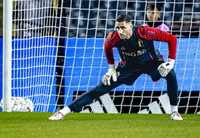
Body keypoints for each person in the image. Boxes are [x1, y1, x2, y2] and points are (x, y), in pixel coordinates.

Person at [49, 14, 183, 120]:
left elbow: (171, 39)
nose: (119, 31)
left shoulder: (145, 32)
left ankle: (174, 112)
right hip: (128, 68)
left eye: (123, 28)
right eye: (118, 28)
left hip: (152, 63)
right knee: (100, 88)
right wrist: (111, 68)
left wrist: (171, 61)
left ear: (131, 26)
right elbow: (107, 48)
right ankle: (62, 112)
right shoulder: (112, 38)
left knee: (171, 74)